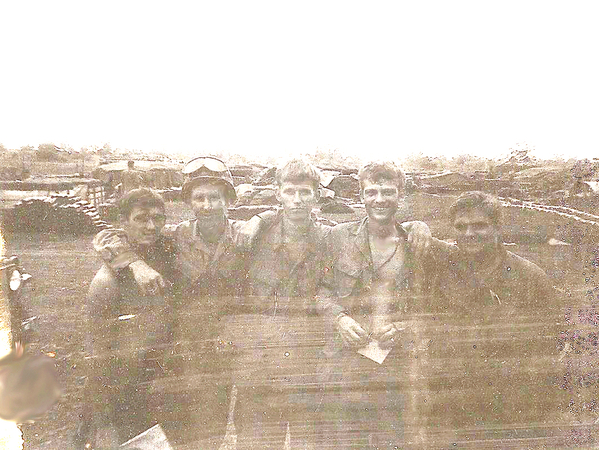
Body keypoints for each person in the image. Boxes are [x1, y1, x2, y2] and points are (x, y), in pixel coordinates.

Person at [90, 157, 266, 449]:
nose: (207, 205)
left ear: (229, 201)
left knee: (244, 425)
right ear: (188, 202)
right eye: (199, 198)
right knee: (198, 429)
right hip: (192, 351)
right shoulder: (176, 236)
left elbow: (284, 220)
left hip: (238, 345)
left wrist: (260, 217)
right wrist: (135, 263)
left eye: (215, 197)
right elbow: (109, 236)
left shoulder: (247, 234)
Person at [421, 191, 561, 445]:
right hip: (452, 405)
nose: (469, 233)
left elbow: (550, 350)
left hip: (510, 407)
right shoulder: (440, 270)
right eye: (460, 227)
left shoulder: (530, 278)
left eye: (479, 226)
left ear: (497, 228)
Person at [316, 160, 436, 450]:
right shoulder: (337, 237)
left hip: (396, 363)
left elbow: (432, 305)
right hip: (346, 360)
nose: (379, 199)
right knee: (343, 441)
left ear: (401, 196)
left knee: (395, 440)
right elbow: (319, 290)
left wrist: (404, 328)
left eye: (388, 192)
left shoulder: (415, 244)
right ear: (361, 196)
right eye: (371, 192)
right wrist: (340, 320)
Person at [233, 158, 333, 450]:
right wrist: (259, 218)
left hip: (308, 365)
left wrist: (417, 225)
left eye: (305, 192)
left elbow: (378, 231)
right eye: (290, 191)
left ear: (317, 195)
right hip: (260, 366)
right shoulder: (253, 234)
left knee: (310, 443)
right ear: (278, 193)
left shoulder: (331, 237)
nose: (298, 200)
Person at [81, 188, 177, 449]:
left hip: (163, 383)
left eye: (158, 218)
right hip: (125, 390)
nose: (151, 226)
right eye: (141, 219)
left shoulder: (166, 250)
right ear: (124, 222)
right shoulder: (107, 283)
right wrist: (104, 423)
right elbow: (98, 357)